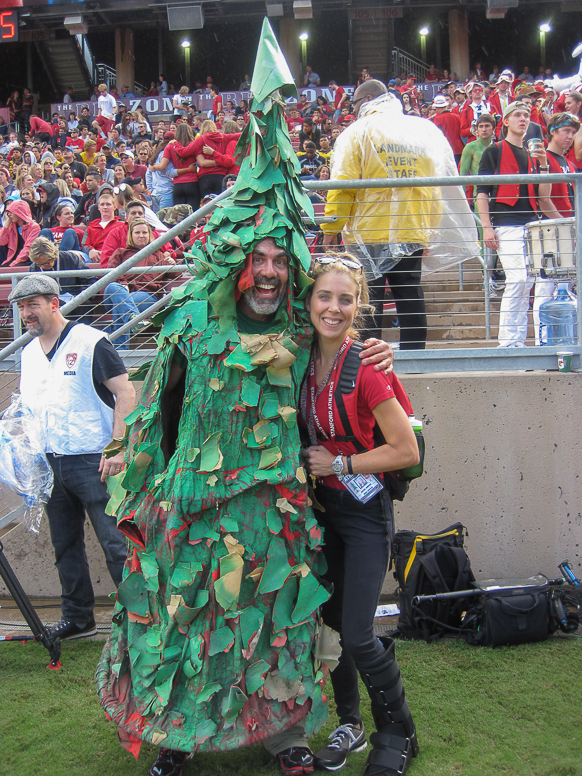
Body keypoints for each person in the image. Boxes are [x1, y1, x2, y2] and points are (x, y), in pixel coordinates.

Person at [95, 21, 395, 776]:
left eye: (275, 259)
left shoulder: (302, 329)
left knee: (272, 628)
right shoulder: (193, 325)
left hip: (274, 514)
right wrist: (127, 455)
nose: (266, 271)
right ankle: (176, 743)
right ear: (235, 261)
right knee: (186, 622)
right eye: (255, 258)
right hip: (195, 506)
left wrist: (383, 349)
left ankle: (286, 738)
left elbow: (346, 346)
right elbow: (151, 405)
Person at [300, 254, 419, 776]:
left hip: (367, 513)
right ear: (307, 302)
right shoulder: (299, 359)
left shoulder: (369, 366)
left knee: (357, 633)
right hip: (324, 511)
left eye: (345, 299)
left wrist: (341, 461)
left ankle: (399, 731)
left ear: (359, 304)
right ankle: (350, 723)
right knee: (332, 623)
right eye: (324, 296)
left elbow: (406, 450)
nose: (333, 307)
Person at [9, 274, 135, 641]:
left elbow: (125, 393)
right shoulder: (29, 352)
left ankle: (139, 619)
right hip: (48, 463)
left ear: (53, 303)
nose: (26, 314)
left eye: (33, 305)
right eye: (21, 307)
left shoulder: (90, 340)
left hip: (93, 459)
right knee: (64, 545)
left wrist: (117, 447)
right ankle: (78, 618)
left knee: (116, 543)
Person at [322, 79, 478, 350]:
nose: (354, 108)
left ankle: (366, 359)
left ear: (367, 100)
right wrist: (427, 232)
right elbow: (433, 189)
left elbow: (342, 185)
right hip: (410, 231)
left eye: (355, 102)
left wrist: (331, 227)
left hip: (369, 232)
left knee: (368, 298)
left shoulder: (358, 132)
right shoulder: (420, 132)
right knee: (410, 294)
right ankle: (416, 355)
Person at [476, 102, 555, 347]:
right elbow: (481, 191)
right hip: (506, 222)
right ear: (506, 121)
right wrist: (487, 227)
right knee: (519, 279)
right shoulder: (494, 150)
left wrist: (543, 165)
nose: (523, 119)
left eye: (527, 116)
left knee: (530, 281)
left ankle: (520, 341)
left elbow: (543, 196)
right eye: (518, 115)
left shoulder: (534, 153)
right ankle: (509, 342)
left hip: (533, 223)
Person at [103, 218, 176, 350]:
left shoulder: (159, 255)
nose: (141, 235)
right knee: (113, 287)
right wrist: (123, 283)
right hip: (117, 293)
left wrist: (172, 263)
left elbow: (174, 275)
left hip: (145, 296)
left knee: (119, 306)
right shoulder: (120, 253)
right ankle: (134, 320)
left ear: (150, 235)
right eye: (137, 233)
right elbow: (110, 274)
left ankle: (121, 350)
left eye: (144, 232)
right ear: (131, 235)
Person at [28, 235, 94, 322]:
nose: (43, 267)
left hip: (74, 300)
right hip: (49, 304)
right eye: (39, 264)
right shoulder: (34, 268)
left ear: (54, 255)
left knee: (85, 305)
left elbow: (91, 280)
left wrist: (81, 296)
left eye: (47, 262)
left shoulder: (70, 258)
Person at [459, 113, 495, 202]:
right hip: (478, 194)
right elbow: (462, 175)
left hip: (496, 195)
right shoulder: (470, 147)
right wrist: (461, 200)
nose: (484, 129)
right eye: (481, 126)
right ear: (477, 130)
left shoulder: (497, 148)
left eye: (487, 126)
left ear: (493, 129)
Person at [0, 199, 41, 266]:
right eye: (8, 213)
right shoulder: (11, 226)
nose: (9, 215)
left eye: (11, 212)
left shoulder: (34, 227)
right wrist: (7, 223)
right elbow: (1, 242)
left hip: (28, 260)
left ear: (19, 212)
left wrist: (13, 264)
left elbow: (28, 249)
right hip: (12, 259)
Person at [431, 95, 463, 164]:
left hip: (446, 148)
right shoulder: (457, 116)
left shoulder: (438, 119)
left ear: (437, 108)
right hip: (459, 148)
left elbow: (437, 135)